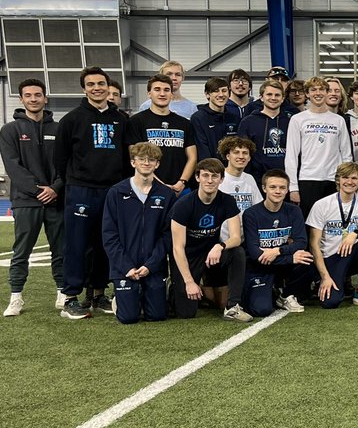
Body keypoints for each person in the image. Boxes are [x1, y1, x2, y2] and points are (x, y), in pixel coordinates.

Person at [54, 67, 131, 319]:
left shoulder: (121, 119)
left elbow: (125, 155)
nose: (96, 88)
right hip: (81, 191)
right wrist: (76, 182)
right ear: (83, 88)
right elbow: (60, 158)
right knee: (76, 244)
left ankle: (98, 294)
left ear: (109, 87)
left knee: (105, 244)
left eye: (101, 83)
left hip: (112, 191)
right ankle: (70, 298)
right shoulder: (71, 119)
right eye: (91, 84)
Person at [1, 78, 65, 316]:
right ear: (21, 99)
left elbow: (65, 165)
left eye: (37, 95)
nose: (33, 99)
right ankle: (16, 297)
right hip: (26, 200)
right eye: (28, 95)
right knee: (22, 251)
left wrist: (55, 188)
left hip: (56, 199)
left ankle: (62, 292)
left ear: (45, 98)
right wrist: (39, 190)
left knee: (61, 249)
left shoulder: (58, 130)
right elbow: (13, 167)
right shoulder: (10, 130)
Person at [101, 142, 175, 324]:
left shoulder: (166, 194)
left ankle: (150, 292)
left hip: (153, 267)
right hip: (125, 268)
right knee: (129, 318)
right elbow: (109, 235)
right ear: (133, 162)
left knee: (157, 316)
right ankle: (122, 297)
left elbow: (167, 235)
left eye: (151, 160)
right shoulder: (116, 192)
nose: (146, 163)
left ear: (157, 164)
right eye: (141, 159)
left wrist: (151, 264)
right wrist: (126, 266)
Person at [169, 158, 251, 322]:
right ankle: (172, 289)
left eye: (214, 176)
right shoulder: (183, 205)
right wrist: (189, 282)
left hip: (211, 255)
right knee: (186, 313)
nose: (210, 180)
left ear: (221, 179)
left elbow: (235, 237)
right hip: (188, 256)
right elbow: (178, 248)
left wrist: (220, 246)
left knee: (237, 253)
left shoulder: (227, 201)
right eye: (205, 176)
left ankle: (232, 307)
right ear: (198, 178)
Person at [307, 162, 358, 309]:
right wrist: (325, 276)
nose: (350, 182)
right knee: (330, 302)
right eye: (345, 177)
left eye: (354, 178)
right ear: (338, 180)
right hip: (330, 258)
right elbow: (314, 245)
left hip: (352, 253)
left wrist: (355, 234)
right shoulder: (322, 205)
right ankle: (322, 280)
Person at [241, 168, 317, 316]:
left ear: (288, 190)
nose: (278, 191)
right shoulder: (251, 214)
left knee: (306, 259)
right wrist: (290, 256)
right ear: (264, 188)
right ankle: (272, 289)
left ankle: (286, 295)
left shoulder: (294, 211)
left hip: (279, 261)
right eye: (273, 187)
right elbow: (255, 253)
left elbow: (301, 242)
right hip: (259, 266)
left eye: (282, 188)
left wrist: (277, 251)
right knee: (261, 310)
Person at [285, 76, 353, 216]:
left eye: (322, 89)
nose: (318, 93)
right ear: (307, 94)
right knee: (309, 228)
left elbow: (346, 155)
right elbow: (291, 156)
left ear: (327, 93)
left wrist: (345, 181)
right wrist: (293, 188)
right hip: (308, 180)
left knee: (333, 225)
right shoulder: (298, 119)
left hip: (333, 181)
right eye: (313, 89)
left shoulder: (338, 120)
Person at [126, 73, 197, 197]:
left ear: (171, 94)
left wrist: (182, 182)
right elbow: (136, 157)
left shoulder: (185, 123)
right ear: (149, 93)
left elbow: (192, 158)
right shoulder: (136, 121)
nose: (162, 94)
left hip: (181, 189)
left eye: (166, 90)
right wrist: (161, 185)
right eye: (157, 89)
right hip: (149, 188)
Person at [238, 78, 289, 186]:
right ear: (261, 97)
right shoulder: (248, 122)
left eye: (277, 95)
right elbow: (242, 153)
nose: (273, 98)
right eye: (269, 94)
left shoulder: (291, 121)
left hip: (284, 180)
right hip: (256, 180)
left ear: (283, 98)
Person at [191, 76, 240, 163]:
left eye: (224, 91)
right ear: (207, 94)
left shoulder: (235, 118)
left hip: (231, 170)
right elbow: (202, 150)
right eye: (216, 91)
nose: (221, 95)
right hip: (210, 171)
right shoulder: (198, 118)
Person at [217, 135, 263, 216]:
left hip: (247, 227)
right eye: (236, 152)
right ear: (228, 156)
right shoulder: (217, 178)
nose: (241, 156)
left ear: (249, 158)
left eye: (245, 153)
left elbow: (258, 207)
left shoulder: (250, 178)